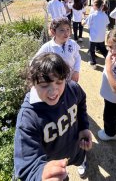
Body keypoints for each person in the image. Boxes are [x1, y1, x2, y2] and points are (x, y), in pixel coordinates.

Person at [14, 53, 92, 181]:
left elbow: (81, 101)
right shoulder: (28, 118)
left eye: (59, 82)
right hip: (54, 168)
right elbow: (26, 164)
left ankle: (82, 161)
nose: (53, 91)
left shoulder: (71, 89)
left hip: (77, 149)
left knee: (80, 159)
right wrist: (41, 174)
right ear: (32, 83)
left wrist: (84, 127)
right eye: (45, 85)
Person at [34, 18, 81, 82]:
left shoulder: (72, 43)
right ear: (53, 31)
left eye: (68, 29)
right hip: (56, 83)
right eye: (62, 30)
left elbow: (77, 57)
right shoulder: (47, 47)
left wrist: (76, 71)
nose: (66, 33)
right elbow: (34, 61)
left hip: (71, 79)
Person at [83, 0, 109, 70]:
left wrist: (83, 21)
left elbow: (86, 24)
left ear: (95, 6)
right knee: (103, 49)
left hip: (93, 37)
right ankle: (111, 60)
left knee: (92, 50)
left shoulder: (92, 15)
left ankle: (93, 63)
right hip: (101, 37)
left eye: (93, 4)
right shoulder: (104, 15)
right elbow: (107, 23)